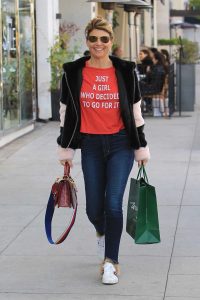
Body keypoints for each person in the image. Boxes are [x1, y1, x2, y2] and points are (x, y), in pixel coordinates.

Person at [57, 16, 150, 285]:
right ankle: (103, 233)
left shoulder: (124, 70)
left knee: (113, 204)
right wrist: (66, 150)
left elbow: (135, 112)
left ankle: (111, 262)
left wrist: (141, 147)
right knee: (94, 210)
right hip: (91, 144)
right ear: (87, 41)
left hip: (121, 143)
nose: (98, 43)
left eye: (104, 39)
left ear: (111, 42)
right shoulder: (73, 71)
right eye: (93, 39)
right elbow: (65, 112)